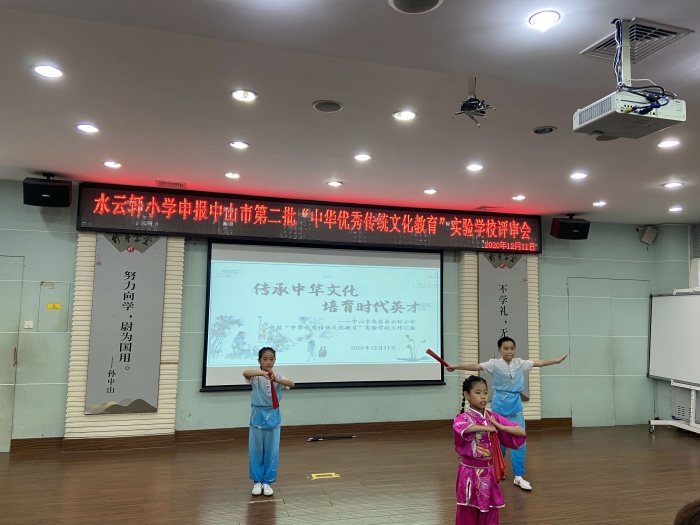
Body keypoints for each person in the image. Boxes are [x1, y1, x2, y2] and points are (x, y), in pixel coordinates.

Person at [447, 336, 567, 490]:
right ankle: (498, 470)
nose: (509, 351)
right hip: (499, 404)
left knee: (519, 439)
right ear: (499, 350)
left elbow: (538, 362)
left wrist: (556, 361)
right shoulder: (494, 364)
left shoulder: (520, 363)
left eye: (512, 348)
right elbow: (475, 365)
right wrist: (455, 366)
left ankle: (519, 476)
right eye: (506, 348)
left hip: (515, 405)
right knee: (497, 440)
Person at [454, 375, 526, 525]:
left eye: (485, 392)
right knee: (468, 511)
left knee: (490, 510)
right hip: (469, 473)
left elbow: (521, 432)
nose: (483, 396)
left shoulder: (493, 417)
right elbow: (463, 428)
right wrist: (486, 427)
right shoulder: (463, 418)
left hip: (489, 473)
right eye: (478, 392)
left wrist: (501, 427)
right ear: (467, 395)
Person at [242, 347, 295, 497]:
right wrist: (263, 373)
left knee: (272, 450)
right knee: (256, 449)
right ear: (259, 360)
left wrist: (277, 379)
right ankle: (257, 482)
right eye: (265, 359)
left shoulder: (278, 377)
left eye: (271, 359)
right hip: (257, 416)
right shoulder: (256, 377)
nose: (268, 362)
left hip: (273, 417)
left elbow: (291, 384)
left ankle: (267, 482)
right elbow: (245, 373)